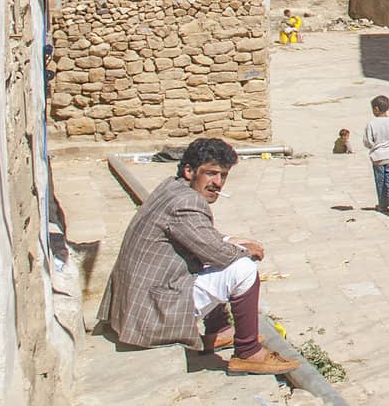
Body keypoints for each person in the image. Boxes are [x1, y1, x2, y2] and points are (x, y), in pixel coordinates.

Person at [96, 138, 299, 375]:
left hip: (134, 305)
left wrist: (231, 240)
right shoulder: (187, 202)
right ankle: (249, 352)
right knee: (243, 269)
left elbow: (199, 236)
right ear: (189, 170)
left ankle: (220, 329)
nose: (217, 183)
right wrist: (245, 250)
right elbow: (217, 255)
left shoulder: (171, 187)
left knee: (221, 251)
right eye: (211, 174)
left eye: (222, 175)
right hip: (151, 316)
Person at [363, 96, 389, 218]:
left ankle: (382, 204)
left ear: (376, 109)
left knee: (380, 182)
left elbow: (367, 141)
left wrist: (374, 146)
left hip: (378, 157)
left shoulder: (371, 123)